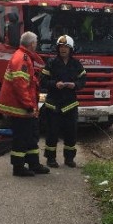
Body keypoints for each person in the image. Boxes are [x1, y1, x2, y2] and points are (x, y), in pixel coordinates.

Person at [0, 31, 50, 177]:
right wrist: (28, 105)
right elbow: (20, 85)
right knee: (22, 137)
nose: (37, 45)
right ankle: (18, 167)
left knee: (32, 135)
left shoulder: (23, 57)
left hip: (23, 105)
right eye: (36, 43)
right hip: (20, 107)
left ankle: (34, 163)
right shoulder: (22, 58)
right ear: (32, 44)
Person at [40, 35, 86, 168]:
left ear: (71, 49)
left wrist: (75, 85)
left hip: (70, 104)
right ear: (57, 48)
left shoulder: (76, 64)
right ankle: (50, 159)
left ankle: (69, 158)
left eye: (66, 47)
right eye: (61, 46)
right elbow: (42, 81)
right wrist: (55, 84)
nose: (63, 49)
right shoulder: (51, 63)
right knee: (52, 133)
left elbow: (83, 81)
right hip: (53, 104)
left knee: (71, 133)